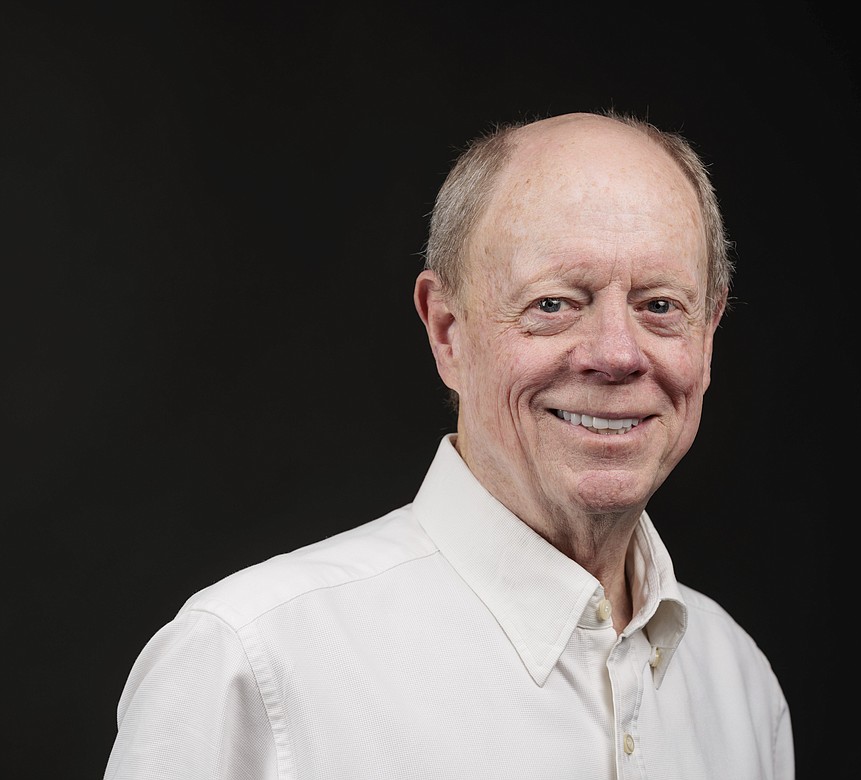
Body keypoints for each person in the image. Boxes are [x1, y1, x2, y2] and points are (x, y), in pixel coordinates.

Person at [104, 109, 795, 779]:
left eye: (660, 307)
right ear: (447, 332)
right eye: (553, 304)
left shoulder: (738, 684)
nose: (616, 354)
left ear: (707, 335)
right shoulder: (252, 664)